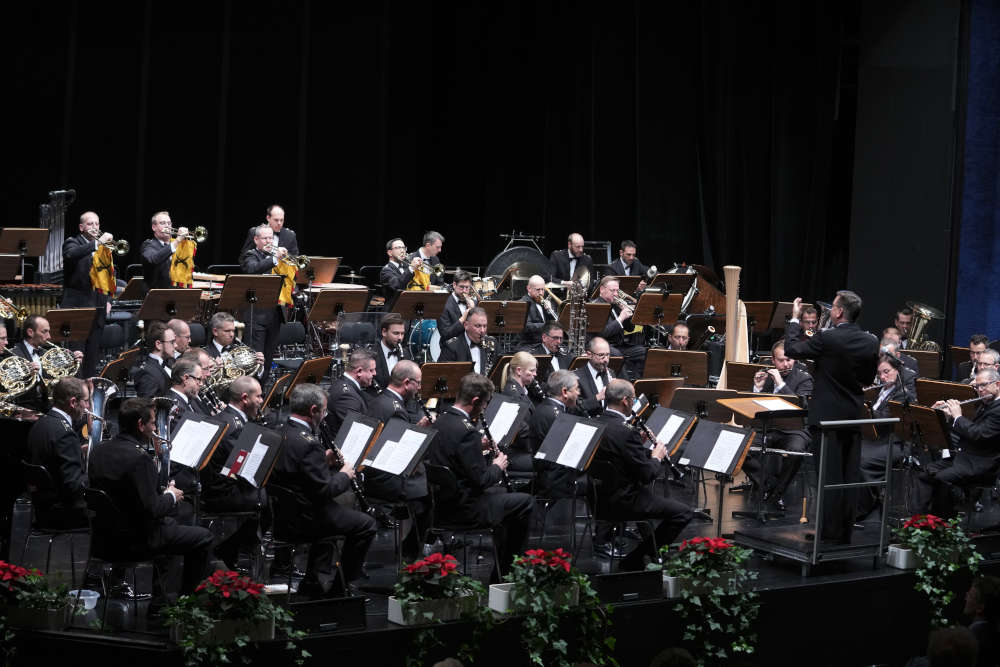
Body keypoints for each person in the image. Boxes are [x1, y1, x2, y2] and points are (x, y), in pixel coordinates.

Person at [88, 397, 214, 594]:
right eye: (153, 423)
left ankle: (161, 598)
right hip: (136, 542)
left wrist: (161, 494)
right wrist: (171, 495)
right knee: (203, 537)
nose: (155, 428)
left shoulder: (99, 451)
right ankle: (187, 601)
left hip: (102, 540)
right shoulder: (140, 459)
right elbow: (153, 510)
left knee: (173, 526)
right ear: (140, 425)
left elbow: (126, 496)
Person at [784, 291, 878, 544]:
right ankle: (843, 532)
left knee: (828, 476)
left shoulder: (828, 338)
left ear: (838, 312)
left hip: (826, 417)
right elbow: (867, 379)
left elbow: (792, 349)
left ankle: (827, 535)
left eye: (832, 307)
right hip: (853, 415)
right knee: (848, 476)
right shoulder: (870, 341)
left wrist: (794, 319)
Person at [271, 384, 376, 598]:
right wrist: (345, 474)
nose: (325, 415)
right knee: (367, 524)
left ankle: (314, 581)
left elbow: (301, 473)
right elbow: (326, 490)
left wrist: (323, 461)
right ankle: (340, 587)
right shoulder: (309, 444)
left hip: (283, 515)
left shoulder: (280, 432)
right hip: (307, 519)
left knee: (339, 515)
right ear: (313, 411)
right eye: (324, 410)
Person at [426, 373, 532, 579]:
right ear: (475, 401)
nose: (483, 409)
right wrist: (497, 466)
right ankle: (506, 572)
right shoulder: (467, 432)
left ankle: (501, 565)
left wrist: (478, 448)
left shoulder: (441, 421)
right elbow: (482, 480)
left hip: (440, 505)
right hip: (464, 510)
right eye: (484, 405)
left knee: (504, 497)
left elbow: (456, 458)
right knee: (525, 502)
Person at [591, 379, 693, 570]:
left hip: (597, 500)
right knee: (683, 513)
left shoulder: (595, 422)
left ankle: (645, 553)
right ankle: (636, 559)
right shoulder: (625, 432)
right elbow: (647, 475)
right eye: (633, 398)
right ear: (626, 401)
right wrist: (657, 457)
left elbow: (620, 458)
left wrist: (640, 447)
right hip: (624, 501)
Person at [364, 360, 432, 560]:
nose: (419, 388)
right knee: (430, 493)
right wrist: (423, 433)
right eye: (417, 383)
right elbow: (400, 453)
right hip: (385, 479)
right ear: (406, 382)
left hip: (372, 472)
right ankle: (411, 553)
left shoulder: (380, 399)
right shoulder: (396, 410)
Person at [200, 375, 264, 569]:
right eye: (259, 397)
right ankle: (231, 547)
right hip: (222, 493)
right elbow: (242, 467)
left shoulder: (225, 416)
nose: (261, 401)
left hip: (220, 485)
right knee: (267, 500)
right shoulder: (234, 426)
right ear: (245, 398)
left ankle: (236, 547)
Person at [917, 368, 1000, 517]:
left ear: (998, 384)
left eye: (984, 385)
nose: (980, 390)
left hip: (981, 464)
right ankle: (919, 520)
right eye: (977, 386)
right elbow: (965, 431)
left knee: (942, 478)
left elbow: (978, 434)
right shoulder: (986, 402)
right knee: (925, 473)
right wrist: (946, 418)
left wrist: (958, 417)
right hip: (965, 458)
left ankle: (942, 524)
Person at [743, 340, 814, 509]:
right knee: (740, 447)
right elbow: (753, 409)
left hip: (794, 430)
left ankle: (776, 493)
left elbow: (801, 407)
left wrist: (781, 385)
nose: (786, 363)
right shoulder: (766, 376)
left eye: (789, 359)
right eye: (781, 360)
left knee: (796, 451)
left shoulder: (804, 379)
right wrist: (757, 389)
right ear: (773, 361)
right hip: (766, 428)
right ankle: (770, 486)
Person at [25, 377, 91, 529]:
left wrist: (76, 452)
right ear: (73, 402)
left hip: (41, 506)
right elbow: (73, 486)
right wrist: (97, 471)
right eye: (86, 401)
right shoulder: (65, 433)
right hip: (62, 512)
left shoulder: (41, 422)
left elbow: (51, 457)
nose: (87, 406)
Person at [61, 211, 114, 378]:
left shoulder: (104, 248)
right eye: (90, 224)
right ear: (81, 227)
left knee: (92, 359)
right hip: (78, 309)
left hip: (98, 308)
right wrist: (96, 245)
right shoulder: (72, 242)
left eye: (97, 224)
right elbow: (71, 255)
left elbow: (110, 275)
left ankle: (89, 397)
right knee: (77, 359)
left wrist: (109, 299)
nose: (94, 227)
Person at [240, 224, 288, 383]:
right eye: (265, 238)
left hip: (275, 315)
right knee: (255, 360)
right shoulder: (250, 255)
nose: (269, 241)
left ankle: (262, 396)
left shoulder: (279, 258)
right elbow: (254, 269)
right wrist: (274, 259)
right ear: (256, 240)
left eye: (271, 238)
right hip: (257, 316)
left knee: (268, 359)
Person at [526, 369, 583, 498]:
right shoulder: (557, 417)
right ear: (564, 392)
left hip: (548, 474)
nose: (578, 393)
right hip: (556, 482)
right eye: (576, 389)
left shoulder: (546, 407)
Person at [592, 276, 645, 380]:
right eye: (613, 290)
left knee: (644, 352)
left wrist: (627, 315)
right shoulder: (596, 305)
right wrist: (621, 318)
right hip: (604, 346)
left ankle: (638, 382)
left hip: (619, 345)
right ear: (602, 289)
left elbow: (629, 329)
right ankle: (625, 388)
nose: (616, 294)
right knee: (617, 355)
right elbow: (602, 333)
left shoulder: (615, 304)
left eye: (617, 290)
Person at [326, 349, 376, 435]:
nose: (375, 373)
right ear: (359, 371)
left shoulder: (344, 384)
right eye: (371, 370)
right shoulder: (347, 397)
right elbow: (355, 433)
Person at [140, 211, 190, 291]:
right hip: (155, 294)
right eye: (163, 223)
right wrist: (178, 240)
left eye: (169, 223)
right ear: (154, 227)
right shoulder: (148, 245)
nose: (167, 226)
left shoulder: (178, 245)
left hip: (176, 291)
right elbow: (154, 259)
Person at [438, 307, 491, 375]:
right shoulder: (451, 347)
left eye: (485, 326)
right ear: (466, 325)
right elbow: (441, 375)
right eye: (478, 326)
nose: (482, 330)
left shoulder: (492, 344)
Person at [131, 321, 176, 399]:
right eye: (172, 342)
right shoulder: (147, 374)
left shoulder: (171, 362)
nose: (176, 345)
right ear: (158, 344)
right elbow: (146, 406)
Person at [964, 576, 1000, 667]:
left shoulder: (974, 635)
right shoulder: (991, 631)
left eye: (970, 595)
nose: (966, 597)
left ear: (980, 607)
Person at [575, 337, 614, 417]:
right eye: (601, 355)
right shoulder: (576, 377)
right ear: (589, 355)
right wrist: (598, 397)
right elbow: (574, 409)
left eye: (607, 355)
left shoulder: (610, 373)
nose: (606, 360)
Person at [373, 312, 412, 389]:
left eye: (402, 333)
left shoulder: (405, 353)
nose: (400, 338)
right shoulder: (372, 354)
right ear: (384, 332)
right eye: (396, 333)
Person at [518, 275, 558, 349]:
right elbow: (527, 327)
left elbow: (555, 322)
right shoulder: (522, 303)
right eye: (538, 290)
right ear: (528, 288)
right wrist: (547, 325)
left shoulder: (544, 302)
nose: (541, 293)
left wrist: (549, 311)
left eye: (543, 289)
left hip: (545, 344)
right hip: (529, 345)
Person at [437, 270, 477, 341]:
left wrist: (474, 311)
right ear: (454, 285)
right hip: (451, 348)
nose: (464, 291)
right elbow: (445, 334)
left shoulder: (474, 302)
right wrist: (464, 318)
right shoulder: (443, 304)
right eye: (461, 287)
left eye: (467, 287)